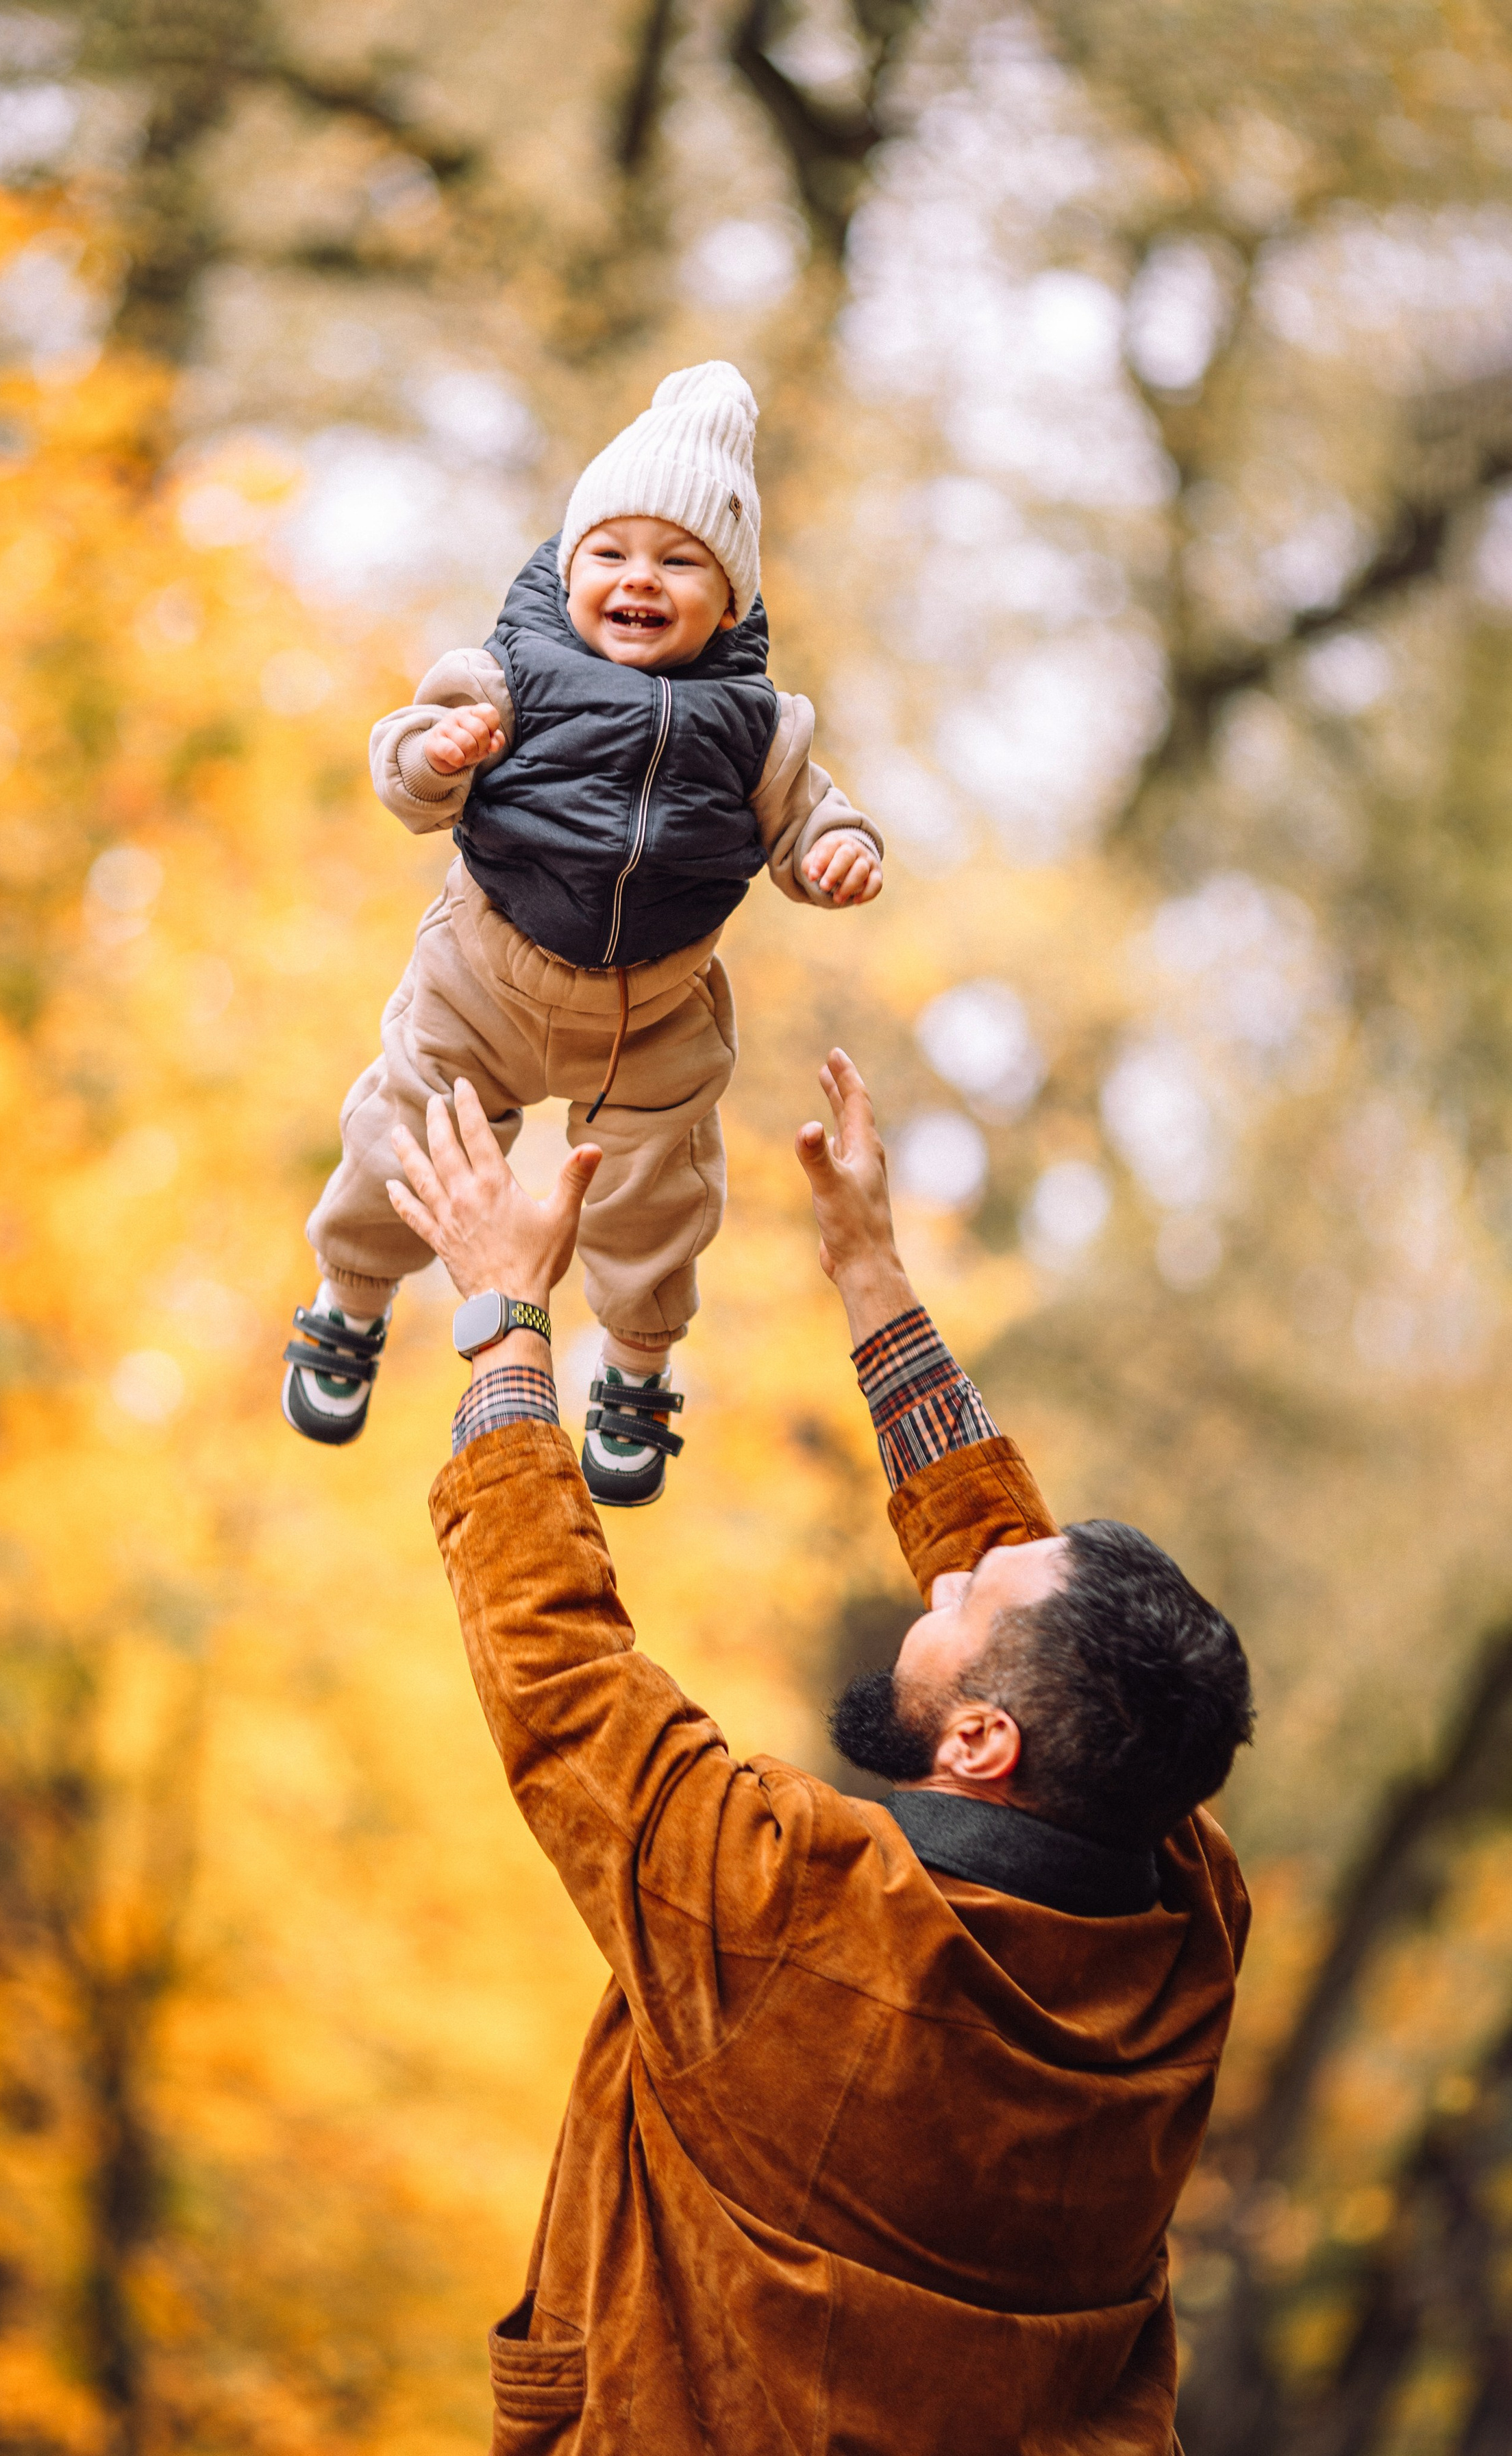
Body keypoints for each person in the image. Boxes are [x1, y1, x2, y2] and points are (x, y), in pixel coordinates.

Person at [394, 1047, 1255, 2456]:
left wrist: (503, 1319)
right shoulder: (1177, 1926)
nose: (940, 1579)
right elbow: (1042, 1628)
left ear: (983, 1741)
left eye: (961, 1605)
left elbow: (560, 1676)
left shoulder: (789, 1918)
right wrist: (871, 1275)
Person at [282, 362, 883, 1508]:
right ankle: (351, 1294)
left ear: (732, 602)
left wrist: (835, 853)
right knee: (410, 1127)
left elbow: (811, 817)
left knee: (659, 1191)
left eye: (680, 563)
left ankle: (636, 1367)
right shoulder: (506, 674)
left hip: (651, 1011)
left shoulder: (762, 729)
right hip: (486, 977)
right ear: (569, 571)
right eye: (610, 553)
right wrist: (437, 756)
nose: (639, 579)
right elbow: (402, 762)